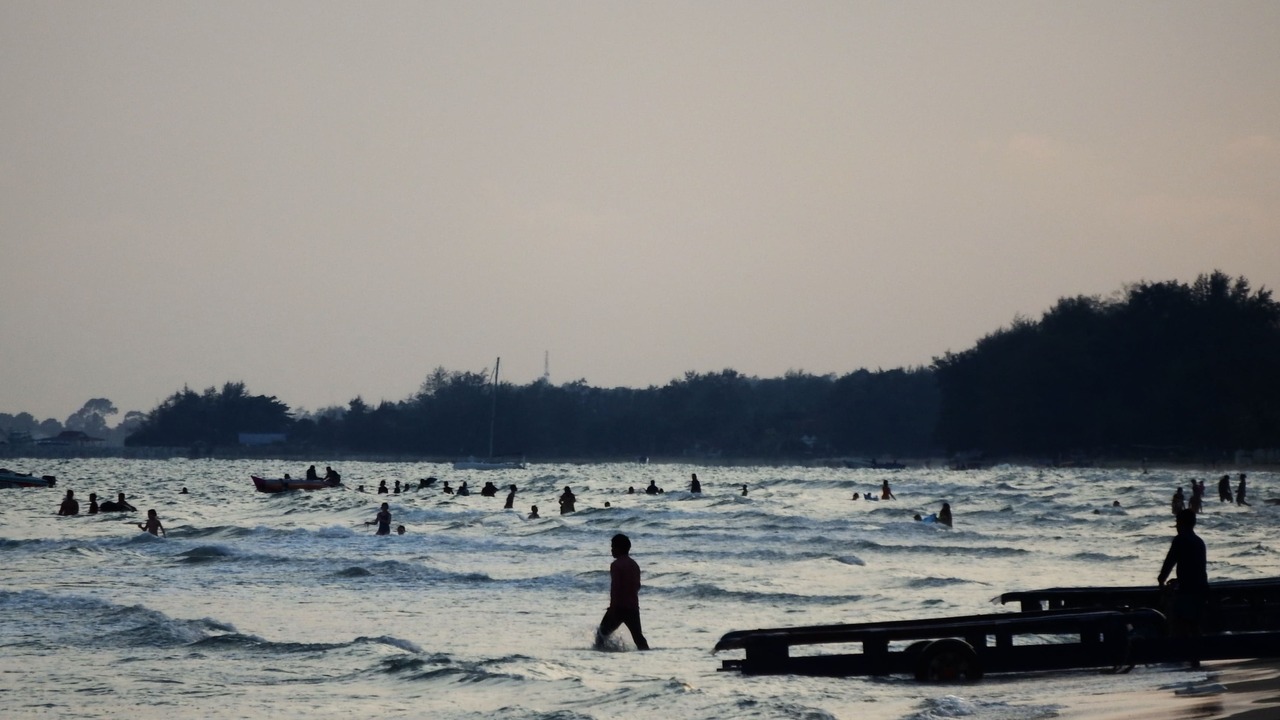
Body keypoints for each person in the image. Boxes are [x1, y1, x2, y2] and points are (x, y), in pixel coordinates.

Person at [1158, 508, 1208, 645]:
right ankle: (1195, 658)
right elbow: (1195, 568)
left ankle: (1181, 654)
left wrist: (1161, 580)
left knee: (1180, 624)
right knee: (1195, 626)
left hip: (1187, 590)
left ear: (1182, 523)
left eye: (1178, 523)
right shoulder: (1199, 542)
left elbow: (1169, 562)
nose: (1176, 527)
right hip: (1201, 588)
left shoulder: (1180, 540)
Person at [594, 533, 650, 651]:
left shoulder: (616, 565)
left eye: (613, 547)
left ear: (619, 548)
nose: (611, 550)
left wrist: (612, 608)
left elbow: (615, 587)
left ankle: (599, 654)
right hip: (632, 607)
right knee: (638, 637)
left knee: (601, 635)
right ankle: (647, 655)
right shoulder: (634, 565)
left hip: (618, 608)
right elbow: (637, 586)